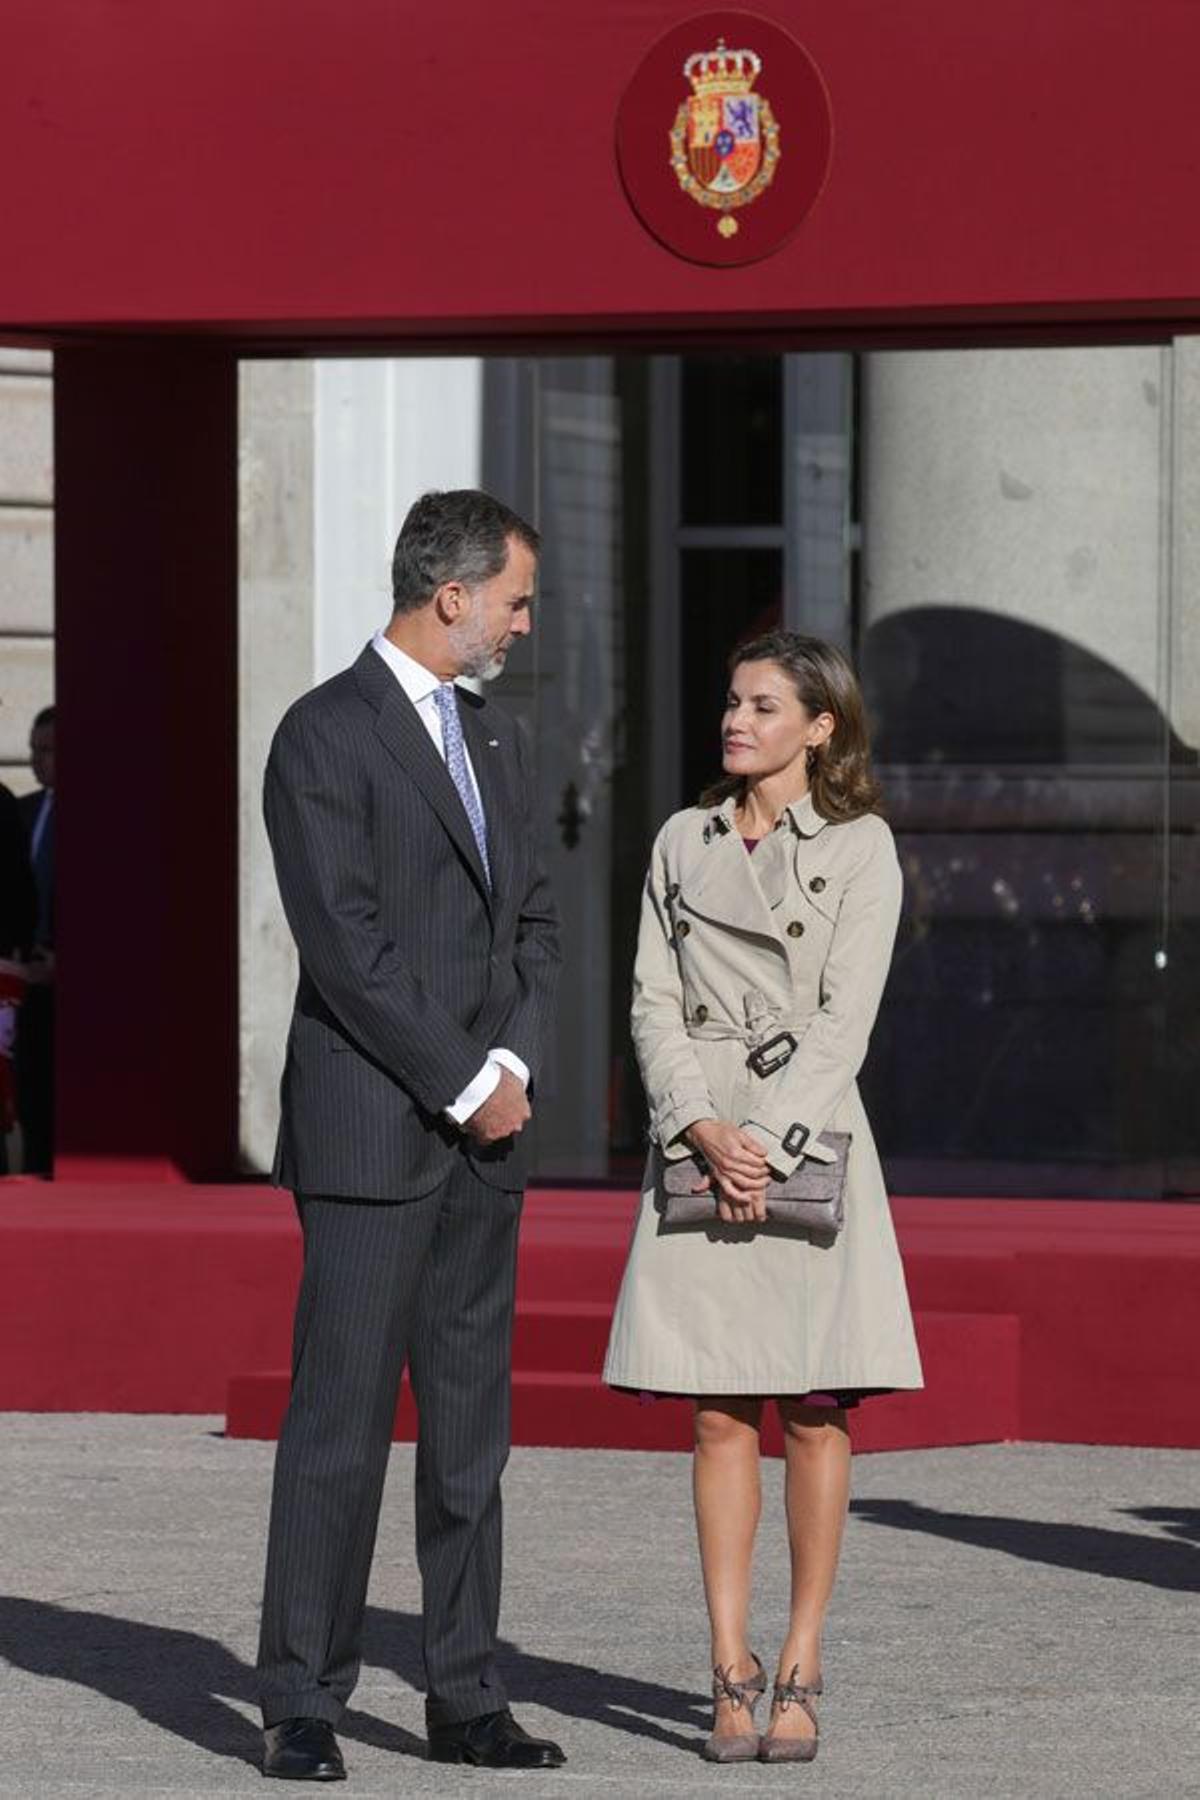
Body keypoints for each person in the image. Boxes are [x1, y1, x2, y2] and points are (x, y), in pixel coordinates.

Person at [256, 490, 564, 1780]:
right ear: (454, 596)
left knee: (470, 1438)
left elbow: (536, 922)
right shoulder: (324, 734)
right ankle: (303, 1704)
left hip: (487, 1145)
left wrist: (513, 1062)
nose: (524, 624)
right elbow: (348, 946)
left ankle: (464, 1694)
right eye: (517, 600)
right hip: (375, 1139)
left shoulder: (497, 739)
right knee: (339, 1430)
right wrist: (461, 1076)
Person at [604, 630, 922, 1765]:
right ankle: (727, 1669)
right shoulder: (681, 841)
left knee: (816, 1404)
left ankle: (800, 1658)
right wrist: (698, 1125)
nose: (736, 721)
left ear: (820, 727)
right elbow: (649, 1000)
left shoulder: (861, 846)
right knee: (716, 1407)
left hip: (810, 1135)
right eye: (733, 702)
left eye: (764, 706)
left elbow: (848, 1019)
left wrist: (770, 1144)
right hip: (701, 1125)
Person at [16, 706, 55, 1175]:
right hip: (21, 977)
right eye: (33, 749)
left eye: (48, 750)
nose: (37, 760)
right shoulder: (22, 811)